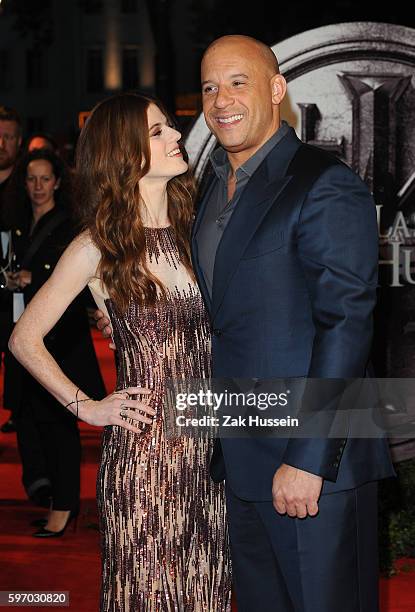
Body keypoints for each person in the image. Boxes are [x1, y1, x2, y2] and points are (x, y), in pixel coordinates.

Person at [92, 35, 396, 611]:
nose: (221, 99)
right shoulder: (207, 192)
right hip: (239, 463)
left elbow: (346, 327)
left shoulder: (323, 184)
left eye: (239, 82)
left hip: (314, 470)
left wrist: (308, 458)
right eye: (209, 86)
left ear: (277, 90)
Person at [9, 94, 231, 610]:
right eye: (158, 132)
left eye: (170, 128)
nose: (177, 136)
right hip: (147, 457)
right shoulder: (97, 246)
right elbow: (24, 338)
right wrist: (88, 407)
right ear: (124, 153)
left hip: (209, 453)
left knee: (208, 593)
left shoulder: (196, 229)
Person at [4, 147, 106, 529]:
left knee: (60, 424)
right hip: (26, 336)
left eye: (45, 178)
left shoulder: (70, 227)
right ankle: (45, 488)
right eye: (31, 179)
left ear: (58, 182)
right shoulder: (18, 224)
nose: (38, 186)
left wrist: (34, 280)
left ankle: (63, 508)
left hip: (63, 341)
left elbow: (78, 288)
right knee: (29, 417)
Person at [0, 106, 22, 434]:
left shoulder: (28, 186)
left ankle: (20, 410)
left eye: (7, 137)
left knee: (18, 352)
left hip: (19, 288)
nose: (1, 143)